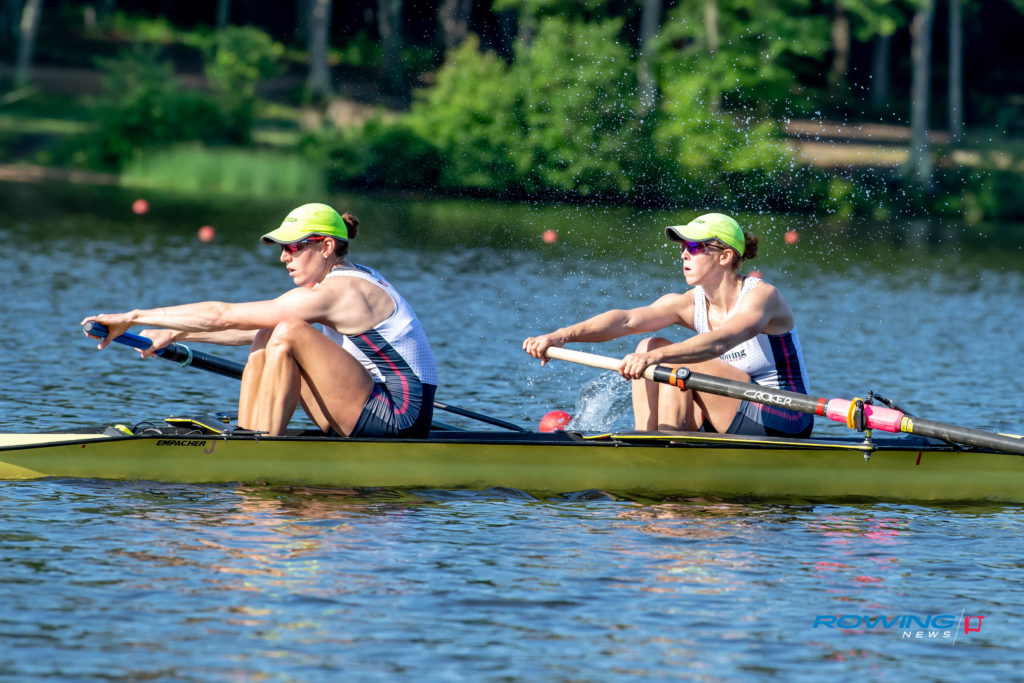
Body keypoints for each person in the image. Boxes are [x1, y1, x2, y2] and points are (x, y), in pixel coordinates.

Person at [82, 203, 438, 438]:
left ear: (326, 247)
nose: (284, 257)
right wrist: (175, 332)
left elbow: (223, 315)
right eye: (283, 248)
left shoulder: (344, 291)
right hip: (366, 405)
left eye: (293, 247)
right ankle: (249, 433)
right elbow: (244, 328)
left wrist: (132, 317)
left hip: (399, 417)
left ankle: (260, 446)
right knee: (274, 330)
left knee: (289, 330)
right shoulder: (336, 283)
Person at [523, 212, 812, 437]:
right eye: (684, 246)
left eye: (696, 246)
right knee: (648, 345)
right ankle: (647, 439)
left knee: (670, 357)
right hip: (731, 411)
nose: (684, 253)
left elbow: (720, 342)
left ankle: (667, 449)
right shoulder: (689, 303)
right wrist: (562, 335)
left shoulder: (762, 297)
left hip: (785, 415)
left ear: (725, 256)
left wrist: (658, 357)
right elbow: (626, 320)